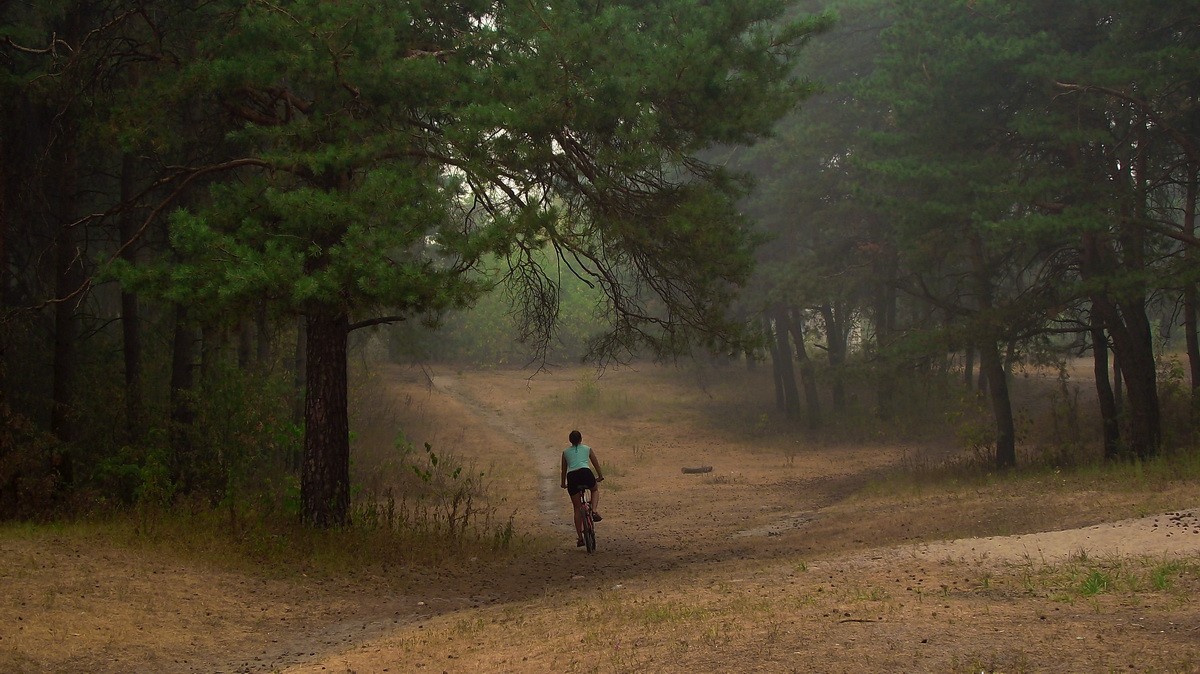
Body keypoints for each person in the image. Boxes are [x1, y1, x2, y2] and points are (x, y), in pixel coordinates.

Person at [560, 429, 604, 547]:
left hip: (572, 477)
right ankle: (594, 510)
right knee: (594, 490)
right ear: (581, 439)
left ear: (570, 441)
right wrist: (600, 476)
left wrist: (563, 483)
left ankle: (580, 538)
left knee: (577, 508)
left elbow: (564, 470)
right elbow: (595, 463)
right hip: (585, 473)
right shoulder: (587, 449)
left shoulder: (565, 453)